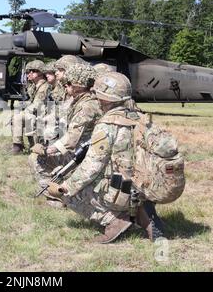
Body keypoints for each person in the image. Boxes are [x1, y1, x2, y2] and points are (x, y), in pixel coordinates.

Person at [46, 72, 161, 243]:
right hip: (147, 187)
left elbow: (91, 168)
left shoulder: (107, 125)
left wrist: (64, 187)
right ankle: (145, 215)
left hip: (121, 190)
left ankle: (114, 220)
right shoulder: (143, 119)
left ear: (105, 97)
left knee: (70, 191)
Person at [29, 63, 102, 206]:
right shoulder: (82, 101)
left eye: (68, 83)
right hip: (83, 151)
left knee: (37, 159)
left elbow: (71, 139)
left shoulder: (86, 106)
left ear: (78, 85)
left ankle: (57, 196)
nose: (65, 86)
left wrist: (47, 150)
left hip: (83, 155)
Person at [11, 60, 50, 154]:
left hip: (43, 113)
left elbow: (38, 104)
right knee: (17, 117)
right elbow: (31, 101)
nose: (30, 73)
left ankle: (34, 146)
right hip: (36, 111)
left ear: (41, 72)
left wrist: (25, 109)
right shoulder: (35, 86)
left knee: (28, 117)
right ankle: (17, 145)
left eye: (34, 71)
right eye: (29, 71)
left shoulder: (44, 86)